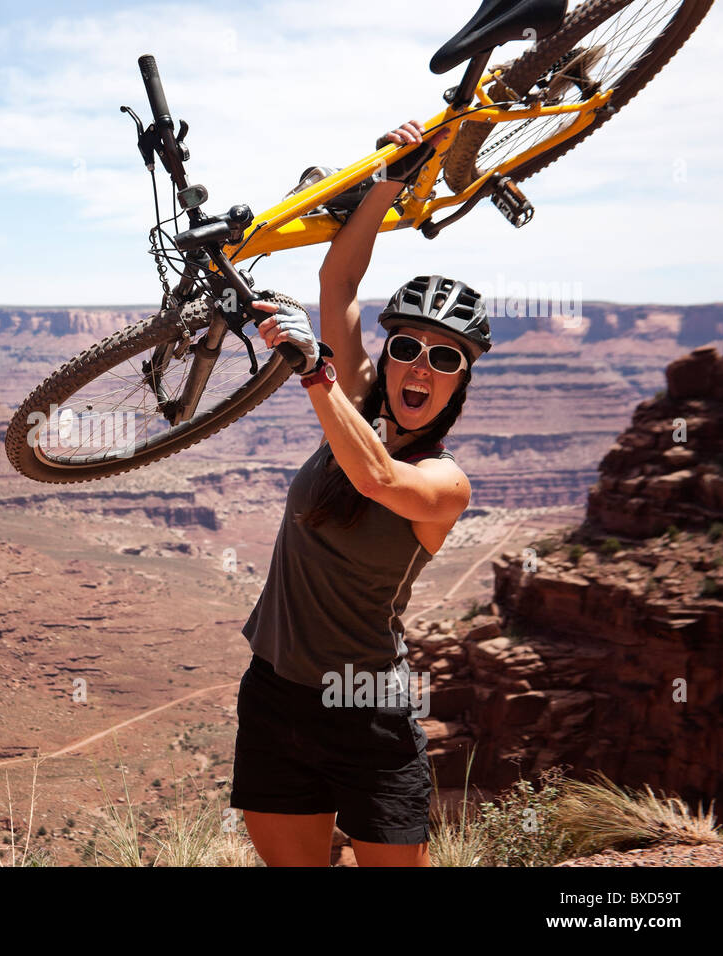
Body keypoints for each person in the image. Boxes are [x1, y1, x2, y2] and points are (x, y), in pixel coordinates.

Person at [229, 119, 493, 867]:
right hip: (276, 691)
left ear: (460, 383)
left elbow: (377, 476)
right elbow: (337, 285)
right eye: (406, 346)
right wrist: (390, 176)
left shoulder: (446, 484)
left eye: (445, 359)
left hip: (366, 706)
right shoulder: (359, 398)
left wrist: (317, 375)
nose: (421, 368)